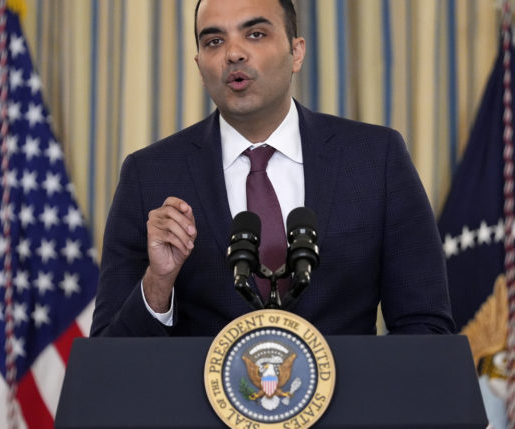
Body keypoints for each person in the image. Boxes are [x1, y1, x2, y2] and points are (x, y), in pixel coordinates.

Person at [90, 0, 454, 337]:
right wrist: (158, 282)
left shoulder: (376, 159)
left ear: (296, 52)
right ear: (200, 67)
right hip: (199, 405)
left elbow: (425, 326)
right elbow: (109, 357)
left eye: (255, 34)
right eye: (214, 41)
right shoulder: (149, 175)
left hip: (352, 403)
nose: (233, 53)